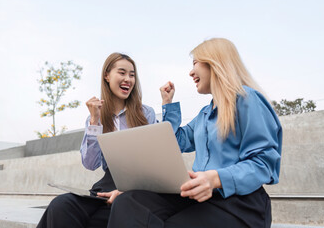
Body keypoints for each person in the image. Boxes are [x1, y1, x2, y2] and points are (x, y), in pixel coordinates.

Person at [106, 38, 282, 228]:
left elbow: (264, 164)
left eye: (195, 63)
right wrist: (168, 104)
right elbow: (175, 142)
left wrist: (215, 179)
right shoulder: (205, 114)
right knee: (129, 202)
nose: (191, 72)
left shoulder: (248, 100)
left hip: (240, 204)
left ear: (215, 63)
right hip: (201, 198)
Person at [37, 52, 156, 228]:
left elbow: (153, 160)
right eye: (122, 73)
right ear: (107, 76)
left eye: (132, 75)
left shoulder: (145, 113)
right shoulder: (96, 117)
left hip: (137, 186)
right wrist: (94, 121)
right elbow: (90, 164)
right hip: (106, 186)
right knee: (61, 205)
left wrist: (126, 190)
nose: (128, 79)